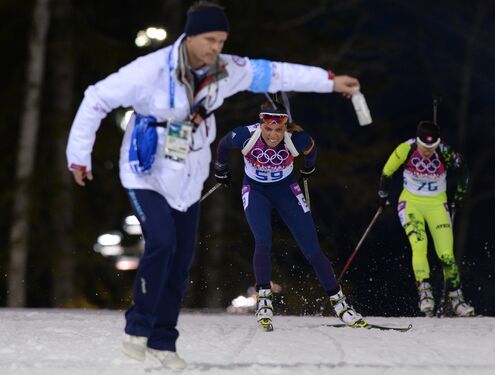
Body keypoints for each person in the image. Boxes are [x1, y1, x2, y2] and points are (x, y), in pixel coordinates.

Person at [65, 1, 362, 370]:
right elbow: (96, 98)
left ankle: (163, 343)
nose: (215, 48)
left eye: (221, 40)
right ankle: (137, 328)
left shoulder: (226, 70)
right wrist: (78, 156)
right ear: (189, 37)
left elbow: (275, 74)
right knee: (162, 243)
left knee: (180, 264)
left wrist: (330, 82)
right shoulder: (151, 70)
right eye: (209, 40)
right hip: (146, 172)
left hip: (188, 177)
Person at [213, 101, 366, 331]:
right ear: (260, 124)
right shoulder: (246, 135)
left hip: (286, 190)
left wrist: (308, 168)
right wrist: (221, 169)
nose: (273, 135)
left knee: (312, 249)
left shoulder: (296, 139)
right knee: (263, 240)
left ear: (286, 128)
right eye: (268, 129)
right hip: (256, 191)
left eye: (278, 130)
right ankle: (264, 301)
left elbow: (312, 150)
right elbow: (223, 145)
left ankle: (341, 305)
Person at [377, 120, 475, 317]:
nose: (427, 151)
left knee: (446, 254)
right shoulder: (406, 148)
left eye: (431, 147)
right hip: (411, 204)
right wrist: (382, 197)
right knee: (419, 245)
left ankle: (457, 299)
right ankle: (425, 293)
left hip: (437, 205)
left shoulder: (444, 151)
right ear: (417, 141)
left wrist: (459, 196)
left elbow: (463, 169)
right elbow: (387, 172)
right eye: (424, 146)